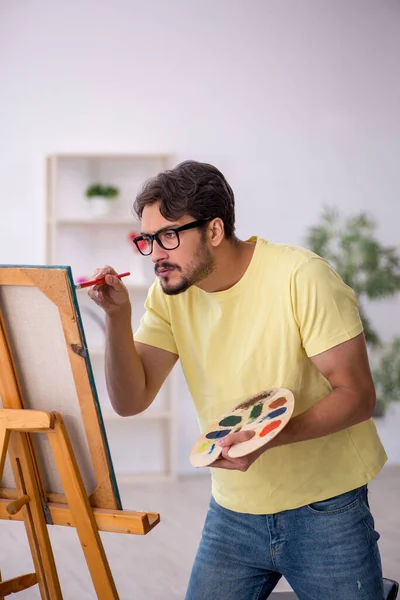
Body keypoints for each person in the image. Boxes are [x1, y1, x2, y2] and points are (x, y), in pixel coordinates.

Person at [89, 160, 387, 600]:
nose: (155, 255)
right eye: (146, 240)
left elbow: (357, 395)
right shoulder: (169, 294)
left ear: (213, 230)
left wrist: (265, 439)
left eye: (168, 236)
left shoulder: (301, 276)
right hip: (232, 509)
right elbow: (130, 400)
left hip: (328, 508)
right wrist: (117, 318)